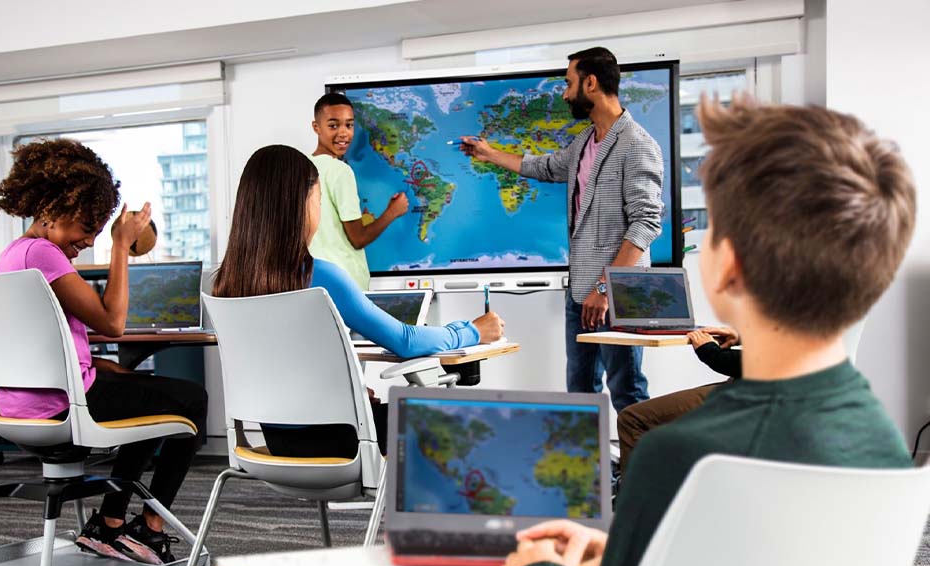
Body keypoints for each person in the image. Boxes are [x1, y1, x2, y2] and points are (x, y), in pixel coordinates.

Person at [495, 96, 917, 566]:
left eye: (712, 230)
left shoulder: (677, 455)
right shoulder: (887, 450)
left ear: (727, 268)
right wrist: (621, 551)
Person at [0, 138, 208, 565]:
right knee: (190, 399)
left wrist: (103, 366)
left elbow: (55, 336)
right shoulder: (45, 254)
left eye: (96, 230)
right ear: (55, 207)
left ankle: (108, 526)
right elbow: (112, 323)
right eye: (85, 227)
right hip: (63, 404)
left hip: (23, 401)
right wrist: (119, 246)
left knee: (140, 390)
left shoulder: (13, 254)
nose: (87, 239)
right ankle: (146, 529)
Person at [212, 144, 505, 457]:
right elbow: (405, 340)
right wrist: (472, 331)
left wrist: (342, 395)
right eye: (319, 200)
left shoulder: (227, 284)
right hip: (340, 441)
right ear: (301, 206)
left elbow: (278, 366)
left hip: (277, 441)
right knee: (465, 420)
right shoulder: (319, 277)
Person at [460, 46, 663, 413]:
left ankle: (640, 471)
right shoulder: (587, 141)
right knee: (581, 393)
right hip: (580, 294)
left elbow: (647, 222)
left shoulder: (637, 144)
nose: (565, 93)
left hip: (615, 296)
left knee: (627, 392)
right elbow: (546, 167)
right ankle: (594, 470)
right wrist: (488, 154)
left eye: (569, 83)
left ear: (590, 82)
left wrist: (606, 288)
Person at [308, 92, 410, 289]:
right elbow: (358, 238)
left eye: (349, 124)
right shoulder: (340, 171)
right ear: (316, 127)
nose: (343, 133)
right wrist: (393, 212)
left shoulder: (303, 167)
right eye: (333, 125)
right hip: (346, 284)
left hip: (318, 282)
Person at [617, 326, 740, 472]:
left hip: (753, 390)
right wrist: (739, 338)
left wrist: (710, 351)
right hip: (748, 382)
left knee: (632, 419)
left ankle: (639, 494)